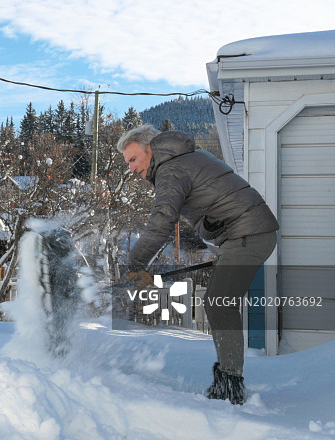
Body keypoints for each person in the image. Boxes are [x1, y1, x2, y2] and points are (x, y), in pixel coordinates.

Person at [117, 125, 279, 405]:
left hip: (248, 234)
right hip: (245, 234)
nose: (131, 169)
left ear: (151, 149)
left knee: (218, 303)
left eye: (133, 159)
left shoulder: (171, 169)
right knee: (218, 302)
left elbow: (162, 223)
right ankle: (228, 379)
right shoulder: (184, 158)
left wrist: (133, 264)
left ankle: (231, 385)